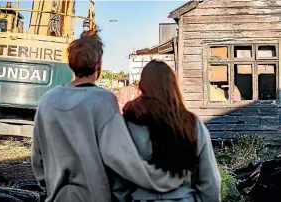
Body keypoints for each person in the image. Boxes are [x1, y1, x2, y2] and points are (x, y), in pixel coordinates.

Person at [31, 32, 185, 202]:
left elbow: (38, 159)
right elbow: (120, 159)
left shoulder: (48, 100)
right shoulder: (103, 100)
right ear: (98, 64)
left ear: (71, 63)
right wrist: (163, 181)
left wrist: (51, 185)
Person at [112, 60, 221, 202]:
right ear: (173, 85)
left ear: (141, 86)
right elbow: (210, 181)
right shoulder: (191, 124)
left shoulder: (127, 124)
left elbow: (118, 183)